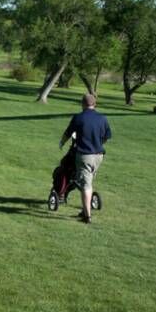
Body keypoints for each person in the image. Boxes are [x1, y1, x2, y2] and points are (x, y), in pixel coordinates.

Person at [59, 94, 112, 224]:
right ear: (95, 104)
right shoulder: (102, 118)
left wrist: (61, 143)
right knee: (89, 181)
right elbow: (107, 136)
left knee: (86, 185)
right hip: (99, 156)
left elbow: (68, 133)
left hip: (84, 155)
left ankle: (87, 216)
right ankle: (85, 210)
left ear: (82, 104)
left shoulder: (78, 118)